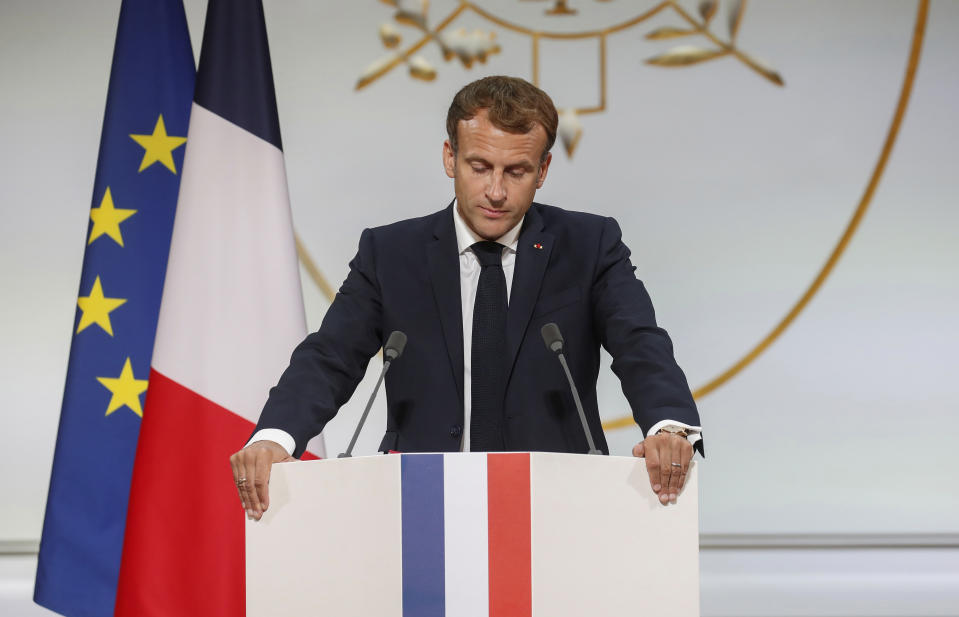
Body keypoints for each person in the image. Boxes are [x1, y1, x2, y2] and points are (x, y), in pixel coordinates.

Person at [230, 76, 702, 521]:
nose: (495, 191)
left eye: (516, 171)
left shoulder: (590, 244)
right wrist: (277, 437)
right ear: (448, 157)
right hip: (423, 506)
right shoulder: (391, 253)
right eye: (479, 167)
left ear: (543, 170)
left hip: (558, 503)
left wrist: (669, 427)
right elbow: (330, 357)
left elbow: (641, 344)